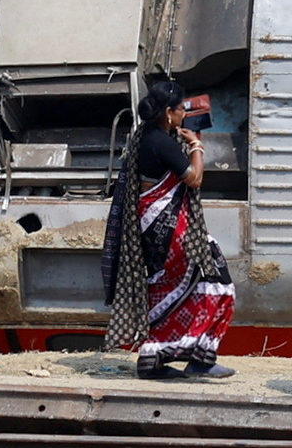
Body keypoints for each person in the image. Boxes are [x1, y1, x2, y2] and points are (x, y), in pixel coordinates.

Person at [102, 80, 235, 380]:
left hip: (154, 224)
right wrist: (197, 145)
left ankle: (154, 359)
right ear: (168, 113)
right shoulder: (161, 142)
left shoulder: (147, 135)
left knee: (171, 287)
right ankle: (197, 357)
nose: (183, 116)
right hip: (170, 226)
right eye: (181, 110)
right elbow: (195, 178)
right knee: (217, 281)